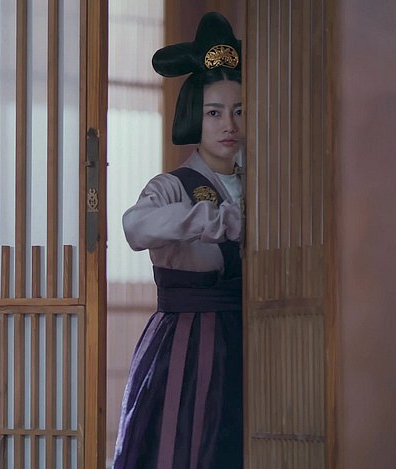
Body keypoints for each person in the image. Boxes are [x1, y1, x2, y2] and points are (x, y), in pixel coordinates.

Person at [112, 12, 245, 469]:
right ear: (193, 116)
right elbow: (135, 227)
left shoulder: (262, 184)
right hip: (188, 345)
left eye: (239, 111)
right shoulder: (171, 185)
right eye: (214, 113)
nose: (229, 125)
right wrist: (213, 220)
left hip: (253, 340)